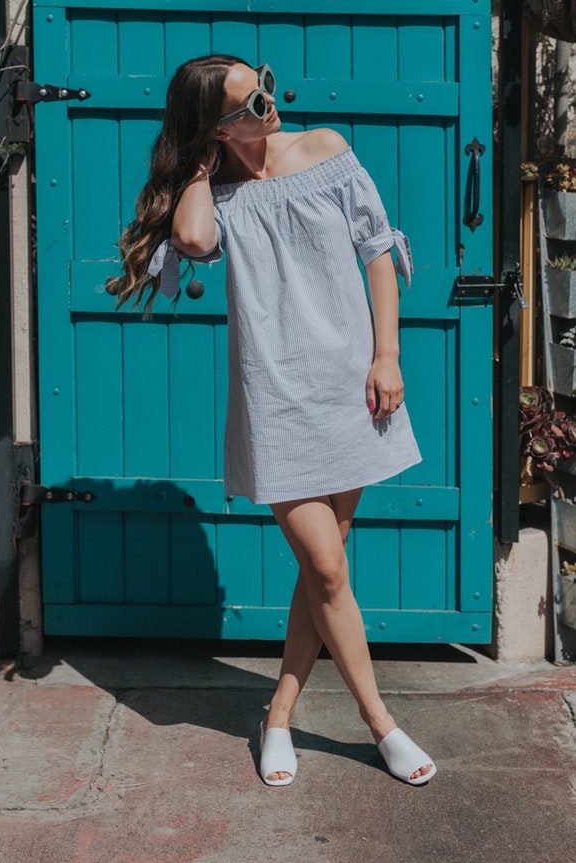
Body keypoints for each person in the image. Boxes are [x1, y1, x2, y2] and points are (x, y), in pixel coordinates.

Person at [109, 54, 436, 787]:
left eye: (265, 88)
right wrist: (199, 158)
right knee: (325, 566)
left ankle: (279, 715)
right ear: (216, 130)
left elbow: (379, 252)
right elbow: (192, 242)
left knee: (324, 575)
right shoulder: (216, 194)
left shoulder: (326, 149)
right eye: (248, 105)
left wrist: (387, 355)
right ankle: (381, 724)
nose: (269, 104)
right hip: (277, 397)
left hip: (351, 384)